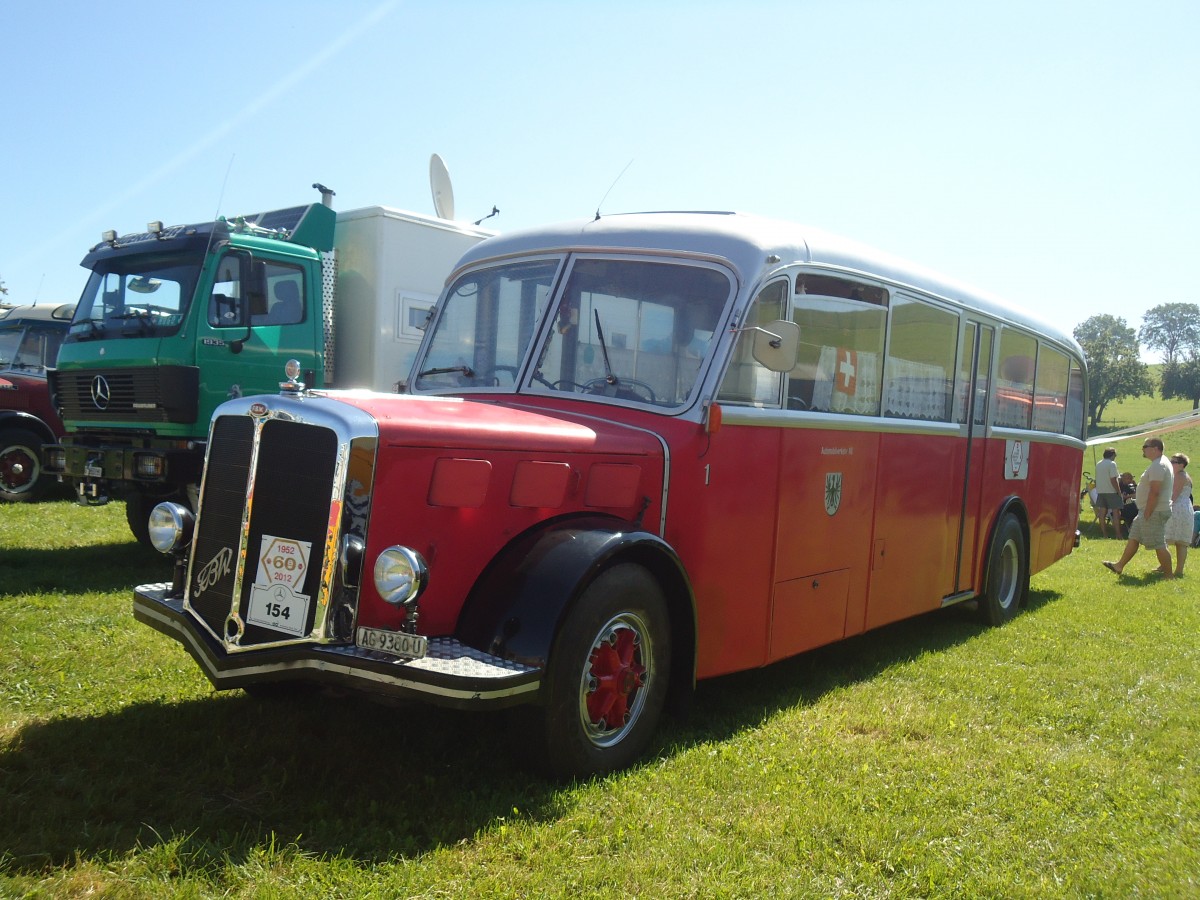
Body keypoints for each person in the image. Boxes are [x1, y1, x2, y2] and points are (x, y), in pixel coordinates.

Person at [1103, 438, 1175, 578]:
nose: (1143, 449)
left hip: (1154, 511)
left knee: (1158, 543)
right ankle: (1119, 566)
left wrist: (1148, 511)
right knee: (1134, 537)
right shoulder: (1159, 463)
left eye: (1145, 446)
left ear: (1155, 448)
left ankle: (1169, 576)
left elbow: (1155, 491)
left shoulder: (1158, 465)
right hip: (1148, 510)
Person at [1164, 453, 1194, 577]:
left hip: (1178, 509)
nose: (1171, 463)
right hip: (1184, 508)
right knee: (1179, 540)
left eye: (1174, 462)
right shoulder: (1182, 475)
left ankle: (1176, 569)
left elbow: (1174, 495)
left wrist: (1165, 507)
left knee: (1176, 541)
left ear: (1181, 465)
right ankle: (1170, 567)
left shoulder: (1179, 476)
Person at [1093, 447, 1123, 538]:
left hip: (1101, 491)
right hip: (1111, 491)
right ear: (1113, 455)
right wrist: (1118, 491)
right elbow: (1113, 479)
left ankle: (1104, 534)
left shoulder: (1099, 464)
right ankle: (1118, 534)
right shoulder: (1112, 464)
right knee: (1116, 513)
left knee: (1102, 514)